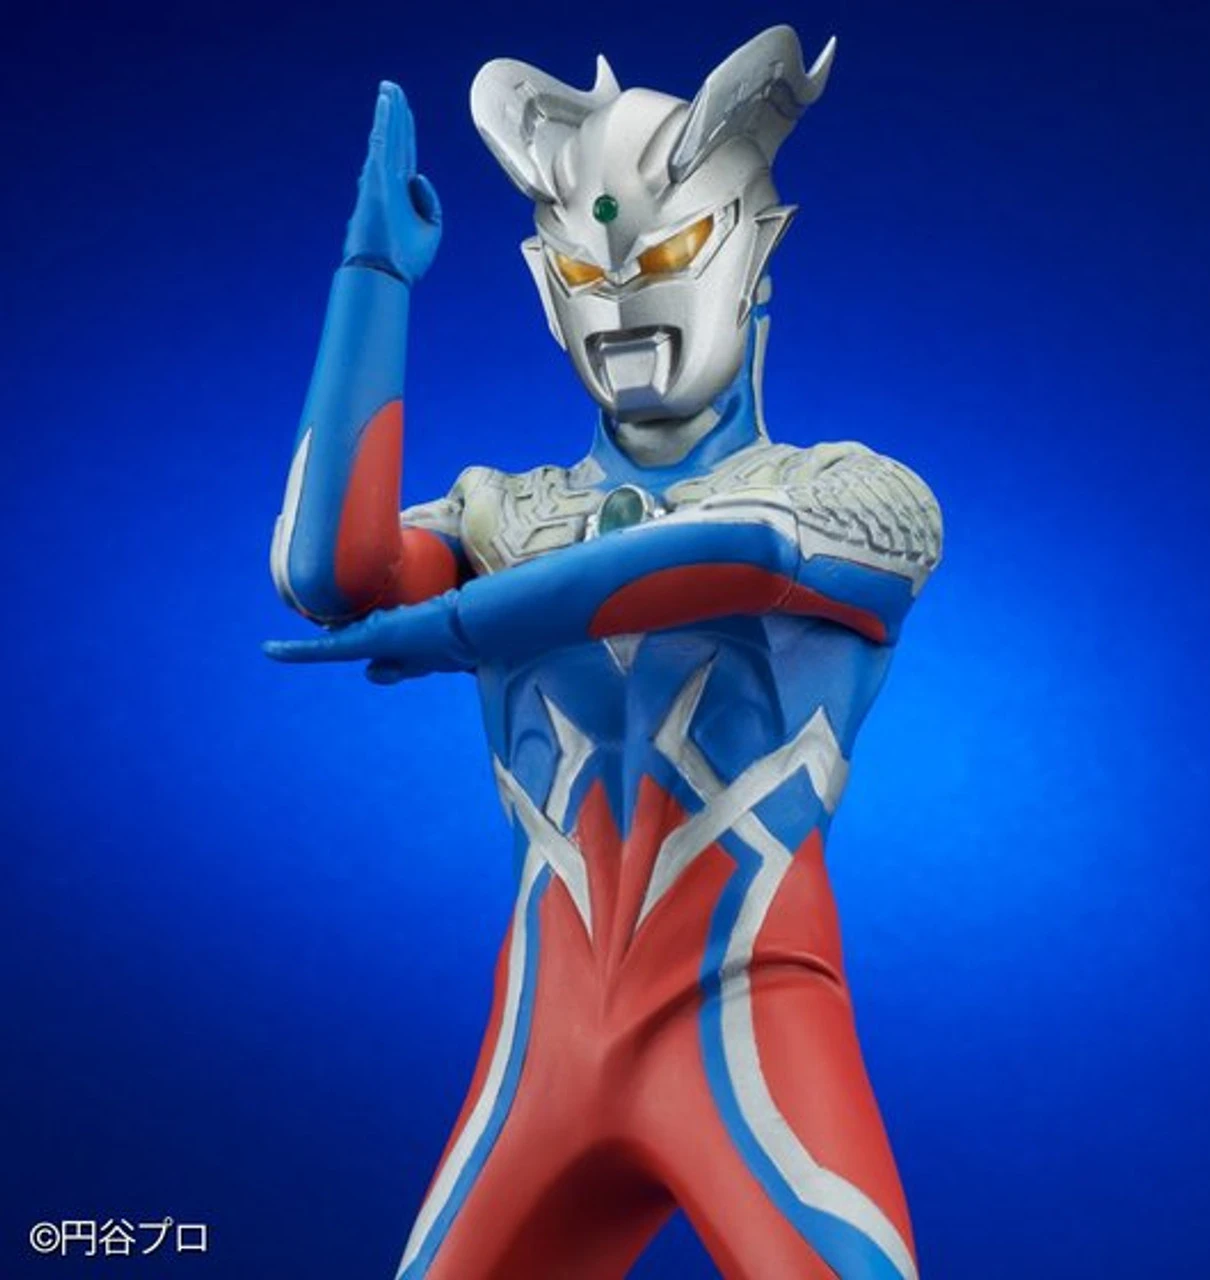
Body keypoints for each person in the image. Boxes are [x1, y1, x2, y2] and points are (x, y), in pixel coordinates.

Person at [267, 26, 941, 1280]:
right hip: (541, 1040)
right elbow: (329, 575)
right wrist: (374, 279)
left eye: (669, 254)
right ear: (545, 283)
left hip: (748, 1022)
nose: (624, 299)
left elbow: (737, 549)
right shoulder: (505, 514)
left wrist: (467, 623)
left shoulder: (855, 495)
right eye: (583, 268)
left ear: (752, 253)